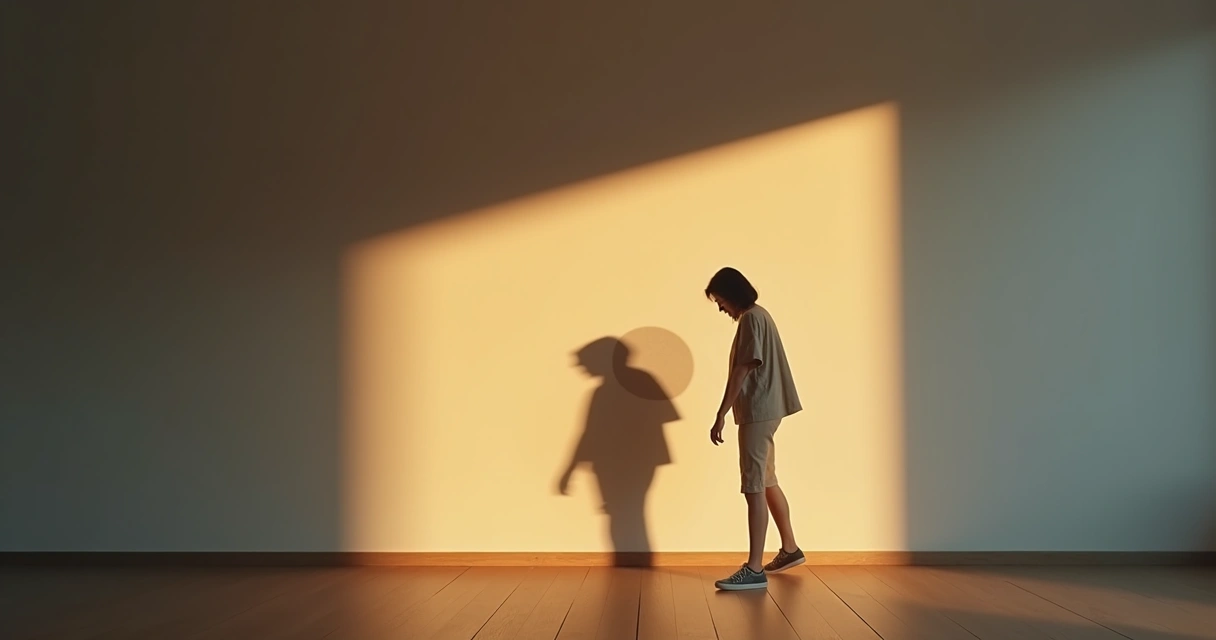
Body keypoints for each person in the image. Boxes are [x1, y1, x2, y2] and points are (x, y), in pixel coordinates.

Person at [705, 267, 805, 590]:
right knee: (766, 479)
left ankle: (754, 568)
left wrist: (721, 412)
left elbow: (743, 369)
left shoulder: (751, 319)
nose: (721, 308)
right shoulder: (760, 316)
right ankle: (789, 549)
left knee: (753, 485)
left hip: (757, 411)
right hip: (766, 410)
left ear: (732, 294)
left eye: (721, 301)